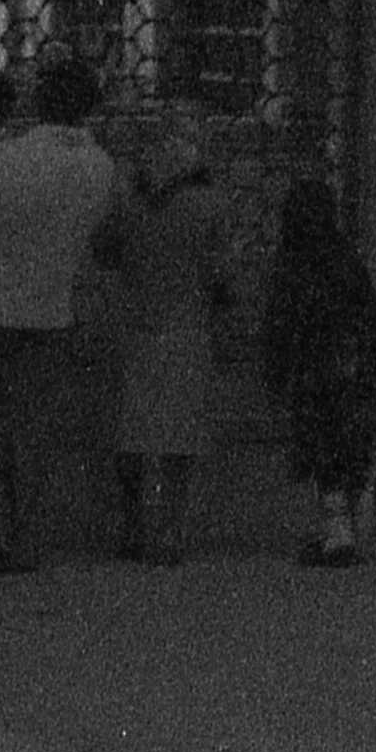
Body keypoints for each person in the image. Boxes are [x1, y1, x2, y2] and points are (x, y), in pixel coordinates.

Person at [0, 44, 127, 574]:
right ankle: (28, 541)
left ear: (40, 101)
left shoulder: (11, 157)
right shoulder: (101, 167)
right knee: (36, 429)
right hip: (50, 311)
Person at [107, 122, 236, 562]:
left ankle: (132, 527)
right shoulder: (210, 206)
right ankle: (169, 532)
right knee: (179, 440)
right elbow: (221, 275)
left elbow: (105, 251)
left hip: (136, 328)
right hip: (187, 331)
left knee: (133, 436)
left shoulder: (129, 205)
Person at [260, 163, 376, 563]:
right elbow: (369, 315)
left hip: (312, 368)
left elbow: (281, 318)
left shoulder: (293, 263)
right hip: (349, 365)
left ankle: (337, 531)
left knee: (321, 447)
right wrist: (372, 362)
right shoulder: (345, 258)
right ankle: (345, 528)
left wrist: (275, 369)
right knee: (346, 446)